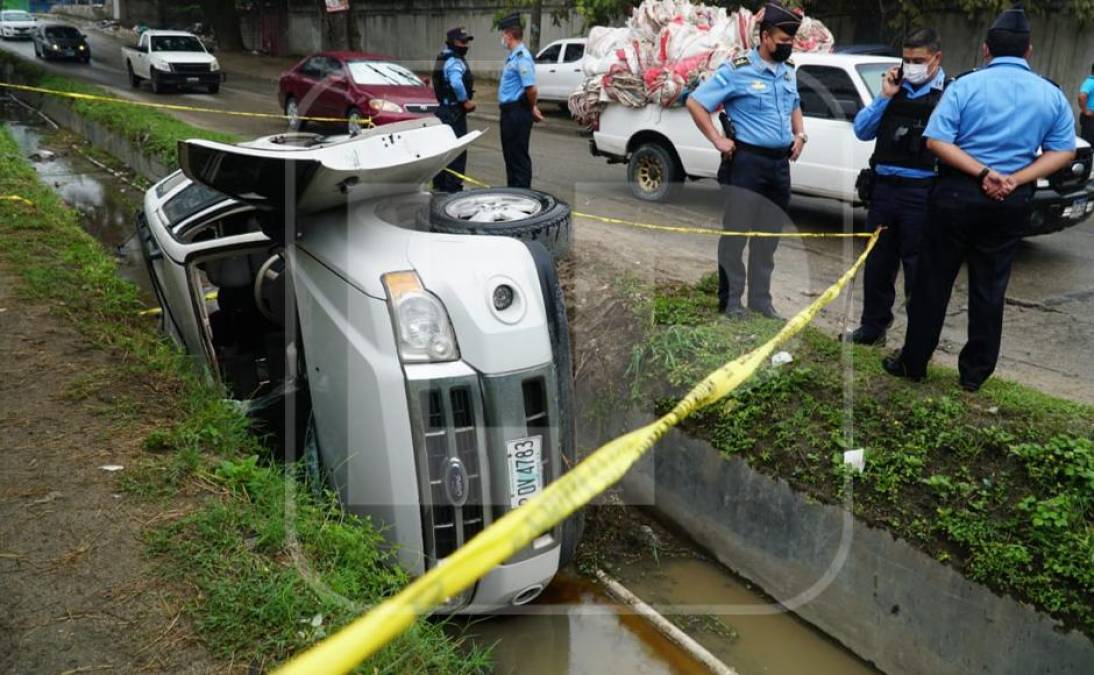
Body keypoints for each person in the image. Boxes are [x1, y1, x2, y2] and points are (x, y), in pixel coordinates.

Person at [884, 3, 1076, 392]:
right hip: (1011, 200)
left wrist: (983, 173)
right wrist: (1013, 179)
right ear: (1029, 51)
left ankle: (914, 362)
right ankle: (974, 375)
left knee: (932, 283)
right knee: (990, 288)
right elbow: (1063, 151)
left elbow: (936, 141)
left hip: (956, 194)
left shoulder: (965, 86)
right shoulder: (1050, 94)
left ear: (986, 50)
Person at [685, 2, 806, 320]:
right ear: (765, 37)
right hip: (747, 164)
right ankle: (731, 301)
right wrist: (716, 139)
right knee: (736, 236)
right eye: (782, 40)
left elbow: (795, 103)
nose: (787, 46)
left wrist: (800, 134)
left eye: (791, 41)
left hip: (779, 166)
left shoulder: (788, 70)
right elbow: (696, 102)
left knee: (768, 238)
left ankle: (760, 301)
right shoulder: (738, 70)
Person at [845, 28, 946, 345]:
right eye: (907, 59)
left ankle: (916, 342)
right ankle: (872, 328)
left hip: (922, 195)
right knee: (877, 264)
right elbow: (862, 130)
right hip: (884, 191)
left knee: (918, 270)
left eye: (919, 60)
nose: (912, 66)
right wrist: (884, 96)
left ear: (936, 59)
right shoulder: (893, 90)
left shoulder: (950, 94)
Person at [497, 12, 542, 188]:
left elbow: (531, 89)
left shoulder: (522, 57)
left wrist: (530, 108)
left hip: (516, 112)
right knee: (510, 156)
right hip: (510, 112)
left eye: (503, 34)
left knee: (518, 158)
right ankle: (513, 194)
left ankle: (523, 197)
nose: (502, 38)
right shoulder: (514, 56)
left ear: (509, 34)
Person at [432, 27, 477, 193]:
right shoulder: (455, 61)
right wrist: (465, 101)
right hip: (454, 113)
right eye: (463, 41)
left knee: (443, 151)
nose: (466, 45)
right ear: (453, 42)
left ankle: (439, 187)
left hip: (443, 111)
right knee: (457, 153)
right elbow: (456, 82)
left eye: (467, 41)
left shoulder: (443, 57)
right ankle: (452, 192)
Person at [1080, 62, 1094, 144]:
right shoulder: (1090, 81)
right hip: (1090, 120)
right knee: (1088, 145)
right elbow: (1081, 96)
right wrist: (1086, 111)